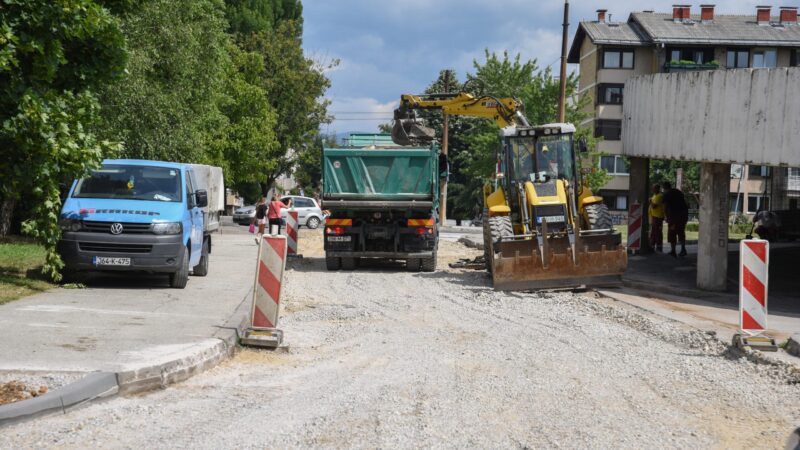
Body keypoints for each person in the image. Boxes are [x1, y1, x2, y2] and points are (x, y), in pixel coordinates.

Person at [661, 181, 688, 257]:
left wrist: (665, 216)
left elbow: (665, 206)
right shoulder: (678, 192)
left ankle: (673, 251)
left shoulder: (666, 194)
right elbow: (685, 202)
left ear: (664, 188)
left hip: (674, 216)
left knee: (672, 233)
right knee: (681, 232)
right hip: (683, 215)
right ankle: (683, 249)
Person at [648, 184, 665, 252]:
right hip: (653, 216)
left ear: (658, 189)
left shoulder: (659, 196)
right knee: (653, 232)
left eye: (654, 188)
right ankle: (653, 245)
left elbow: (654, 206)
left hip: (658, 217)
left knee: (657, 232)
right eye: (652, 188)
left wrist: (650, 201)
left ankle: (659, 246)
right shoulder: (654, 195)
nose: (652, 190)